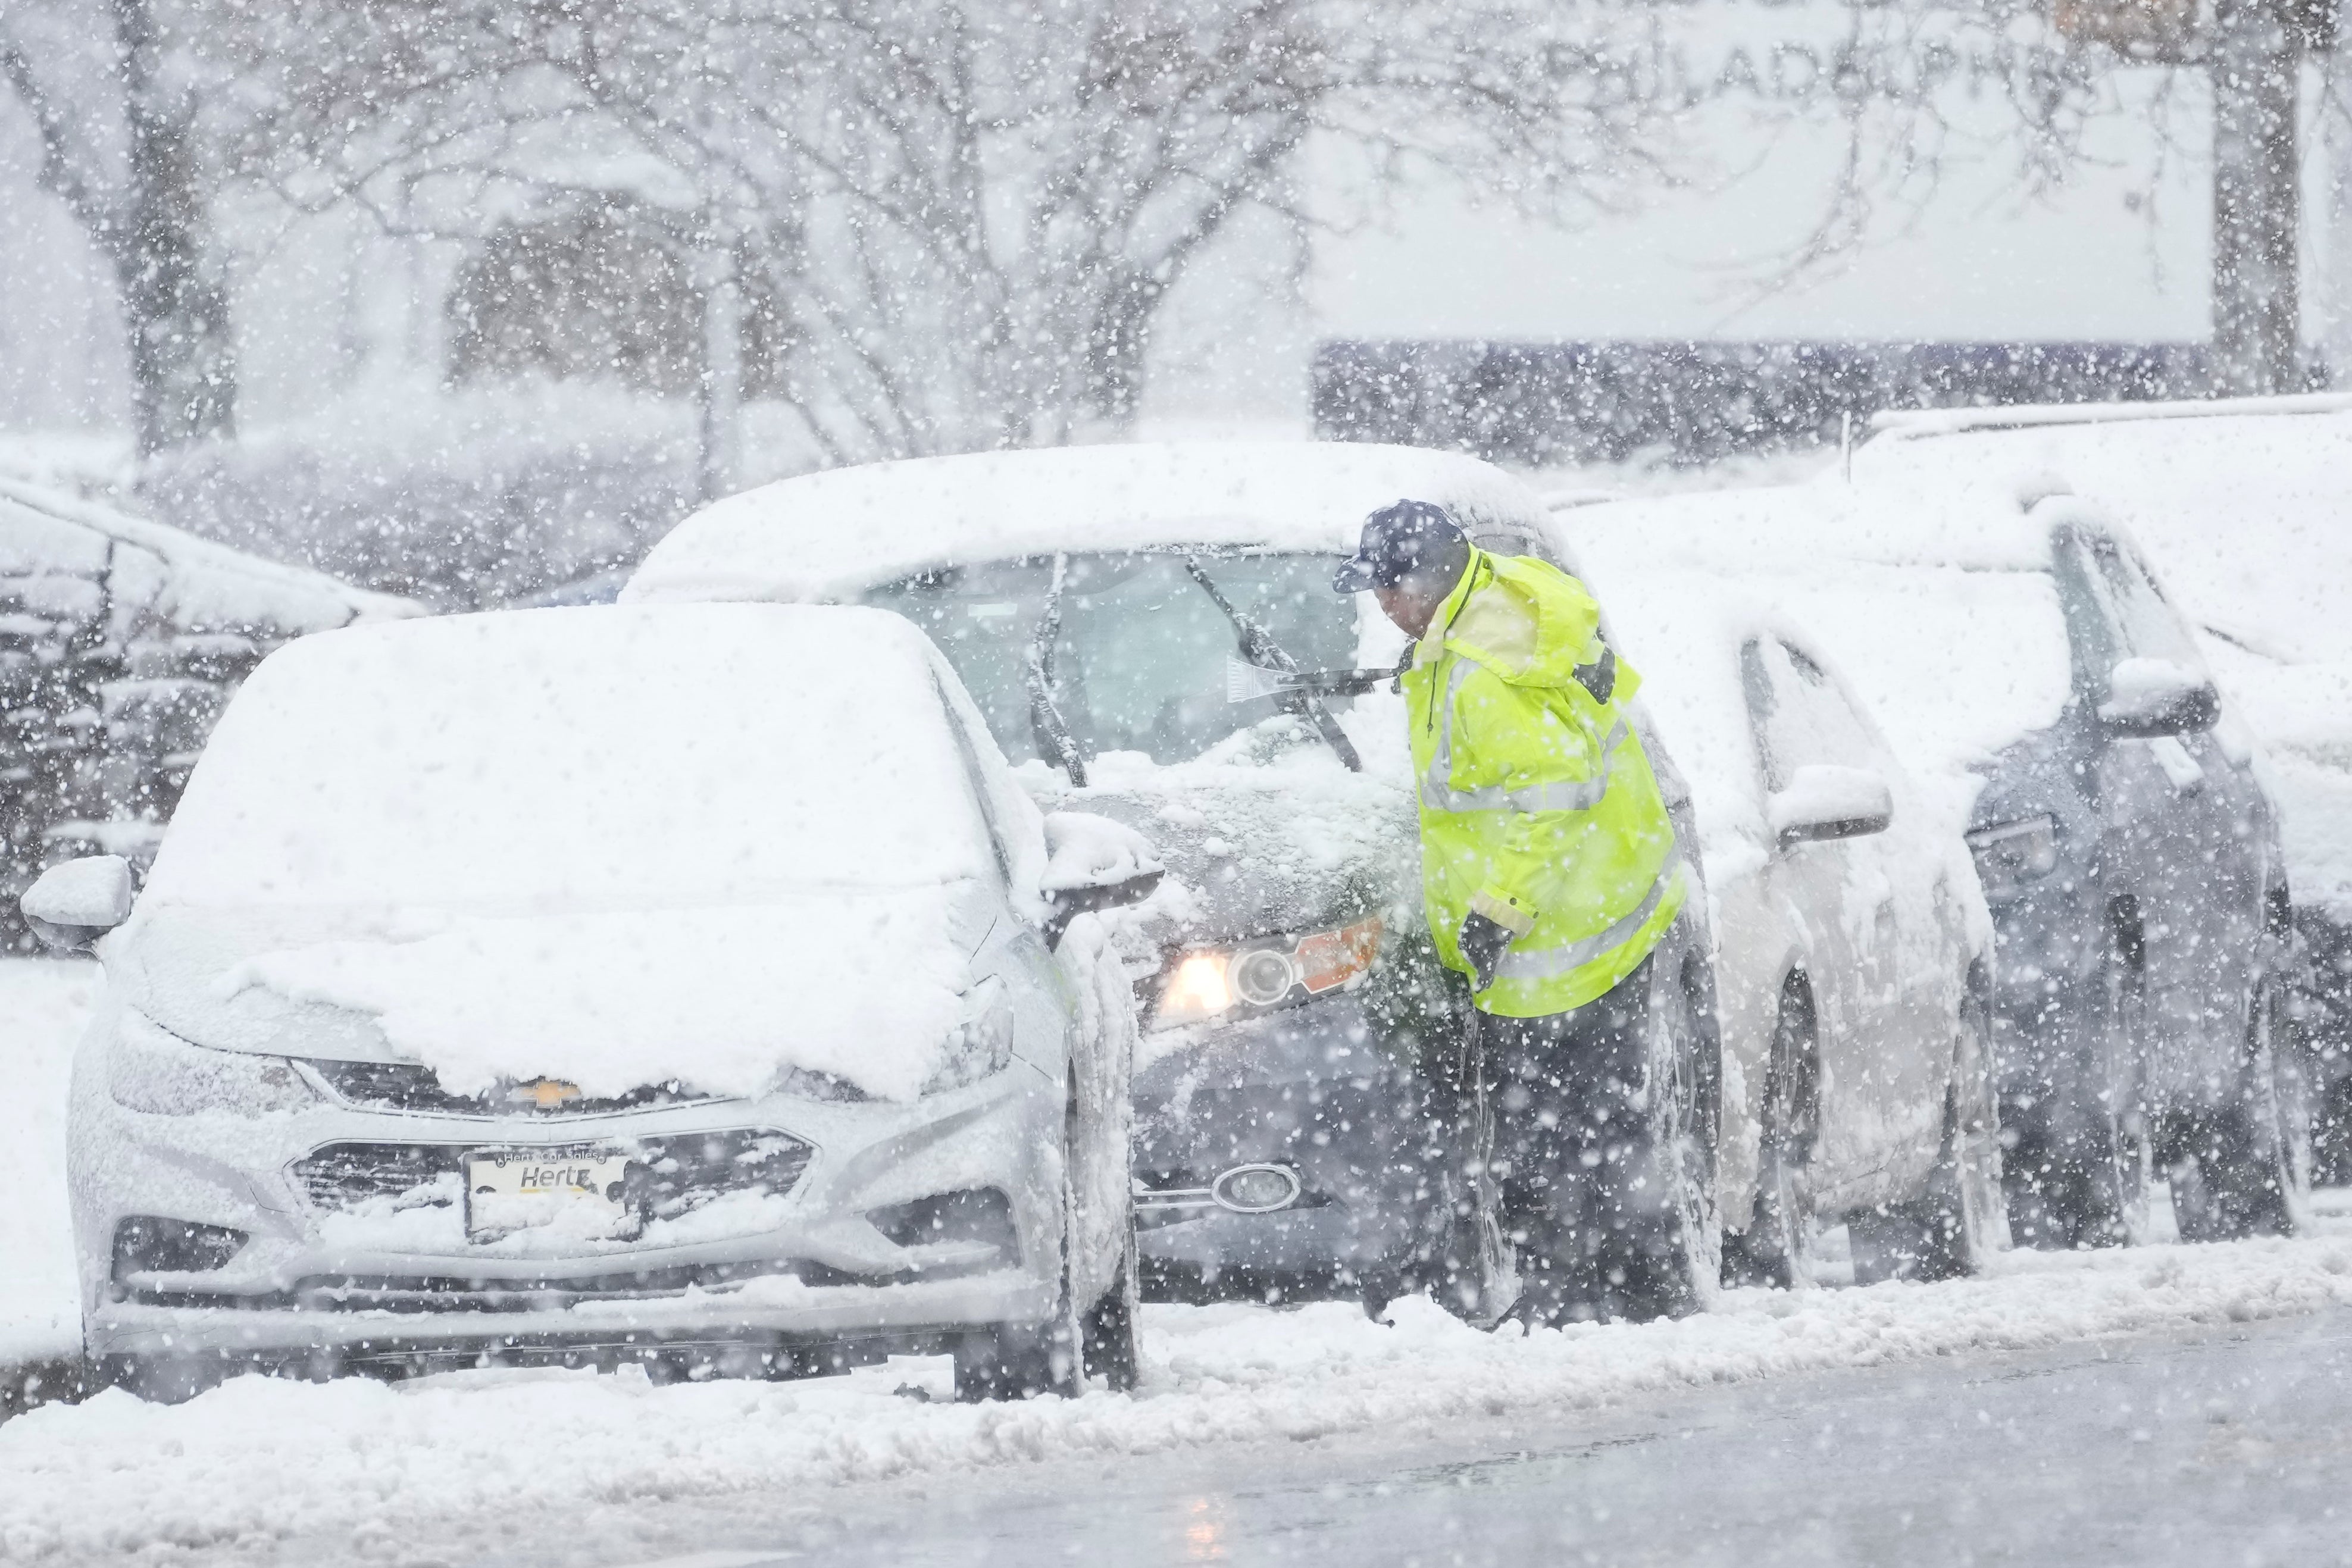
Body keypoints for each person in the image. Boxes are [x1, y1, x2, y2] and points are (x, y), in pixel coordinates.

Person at [1332, 499, 1700, 1325]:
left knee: (1553, 1137)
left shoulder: (1482, 673)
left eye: (1387, 590)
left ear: (1427, 582)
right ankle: (1618, 1293)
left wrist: (1498, 912)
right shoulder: (1499, 602)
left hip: (1564, 932)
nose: (1381, 607)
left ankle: (1576, 1299)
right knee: (1599, 1124)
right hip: (1610, 895)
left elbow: (1551, 798)